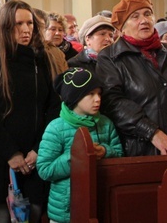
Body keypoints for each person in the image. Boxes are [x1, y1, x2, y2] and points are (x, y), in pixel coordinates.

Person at [0, 0, 59, 223]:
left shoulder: (42, 59)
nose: (25, 29)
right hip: (0, 155)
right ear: (5, 26)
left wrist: (38, 148)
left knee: (32, 213)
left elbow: (52, 108)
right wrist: (11, 153)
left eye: (29, 23)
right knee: (1, 216)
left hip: (34, 156)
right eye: (18, 24)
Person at [97, 0, 167, 156]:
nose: (144, 20)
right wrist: (152, 133)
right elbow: (113, 102)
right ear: (122, 27)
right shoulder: (111, 57)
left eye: (148, 14)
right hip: (142, 150)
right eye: (135, 17)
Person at [37, 67, 123, 223]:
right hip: (66, 211)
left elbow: (119, 155)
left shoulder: (106, 123)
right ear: (74, 97)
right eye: (90, 94)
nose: (97, 99)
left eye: (99, 94)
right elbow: (45, 169)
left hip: (100, 203)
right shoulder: (56, 128)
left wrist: (104, 151)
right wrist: (76, 157)